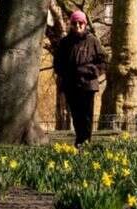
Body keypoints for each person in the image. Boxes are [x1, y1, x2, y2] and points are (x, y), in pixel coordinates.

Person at [53, 11, 106, 147]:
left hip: (88, 85)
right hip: (71, 85)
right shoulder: (65, 42)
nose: (78, 25)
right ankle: (79, 140)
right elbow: (57, 64)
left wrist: (91, 71)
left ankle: (86, 142)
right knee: (76, 116)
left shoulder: (93, 40)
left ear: (85, 24)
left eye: (80, 23)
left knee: (87, 115)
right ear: (71, 24)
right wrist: (68, 73)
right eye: (75, 23)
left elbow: (102, 63)